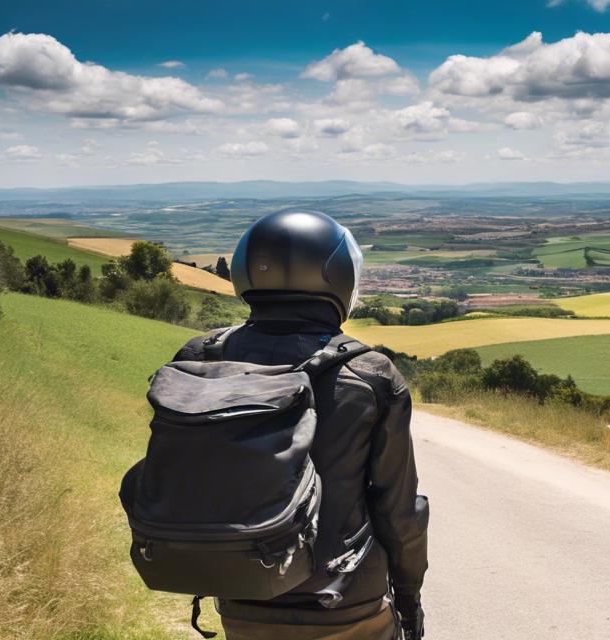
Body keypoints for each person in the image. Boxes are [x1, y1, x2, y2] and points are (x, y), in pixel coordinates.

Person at [170, 210, 428, 639]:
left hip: (242, 596)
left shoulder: (202, 357)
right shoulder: (370, 374)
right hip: (345, 598)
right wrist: (409, 602)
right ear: (339, 276)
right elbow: (399, 513)